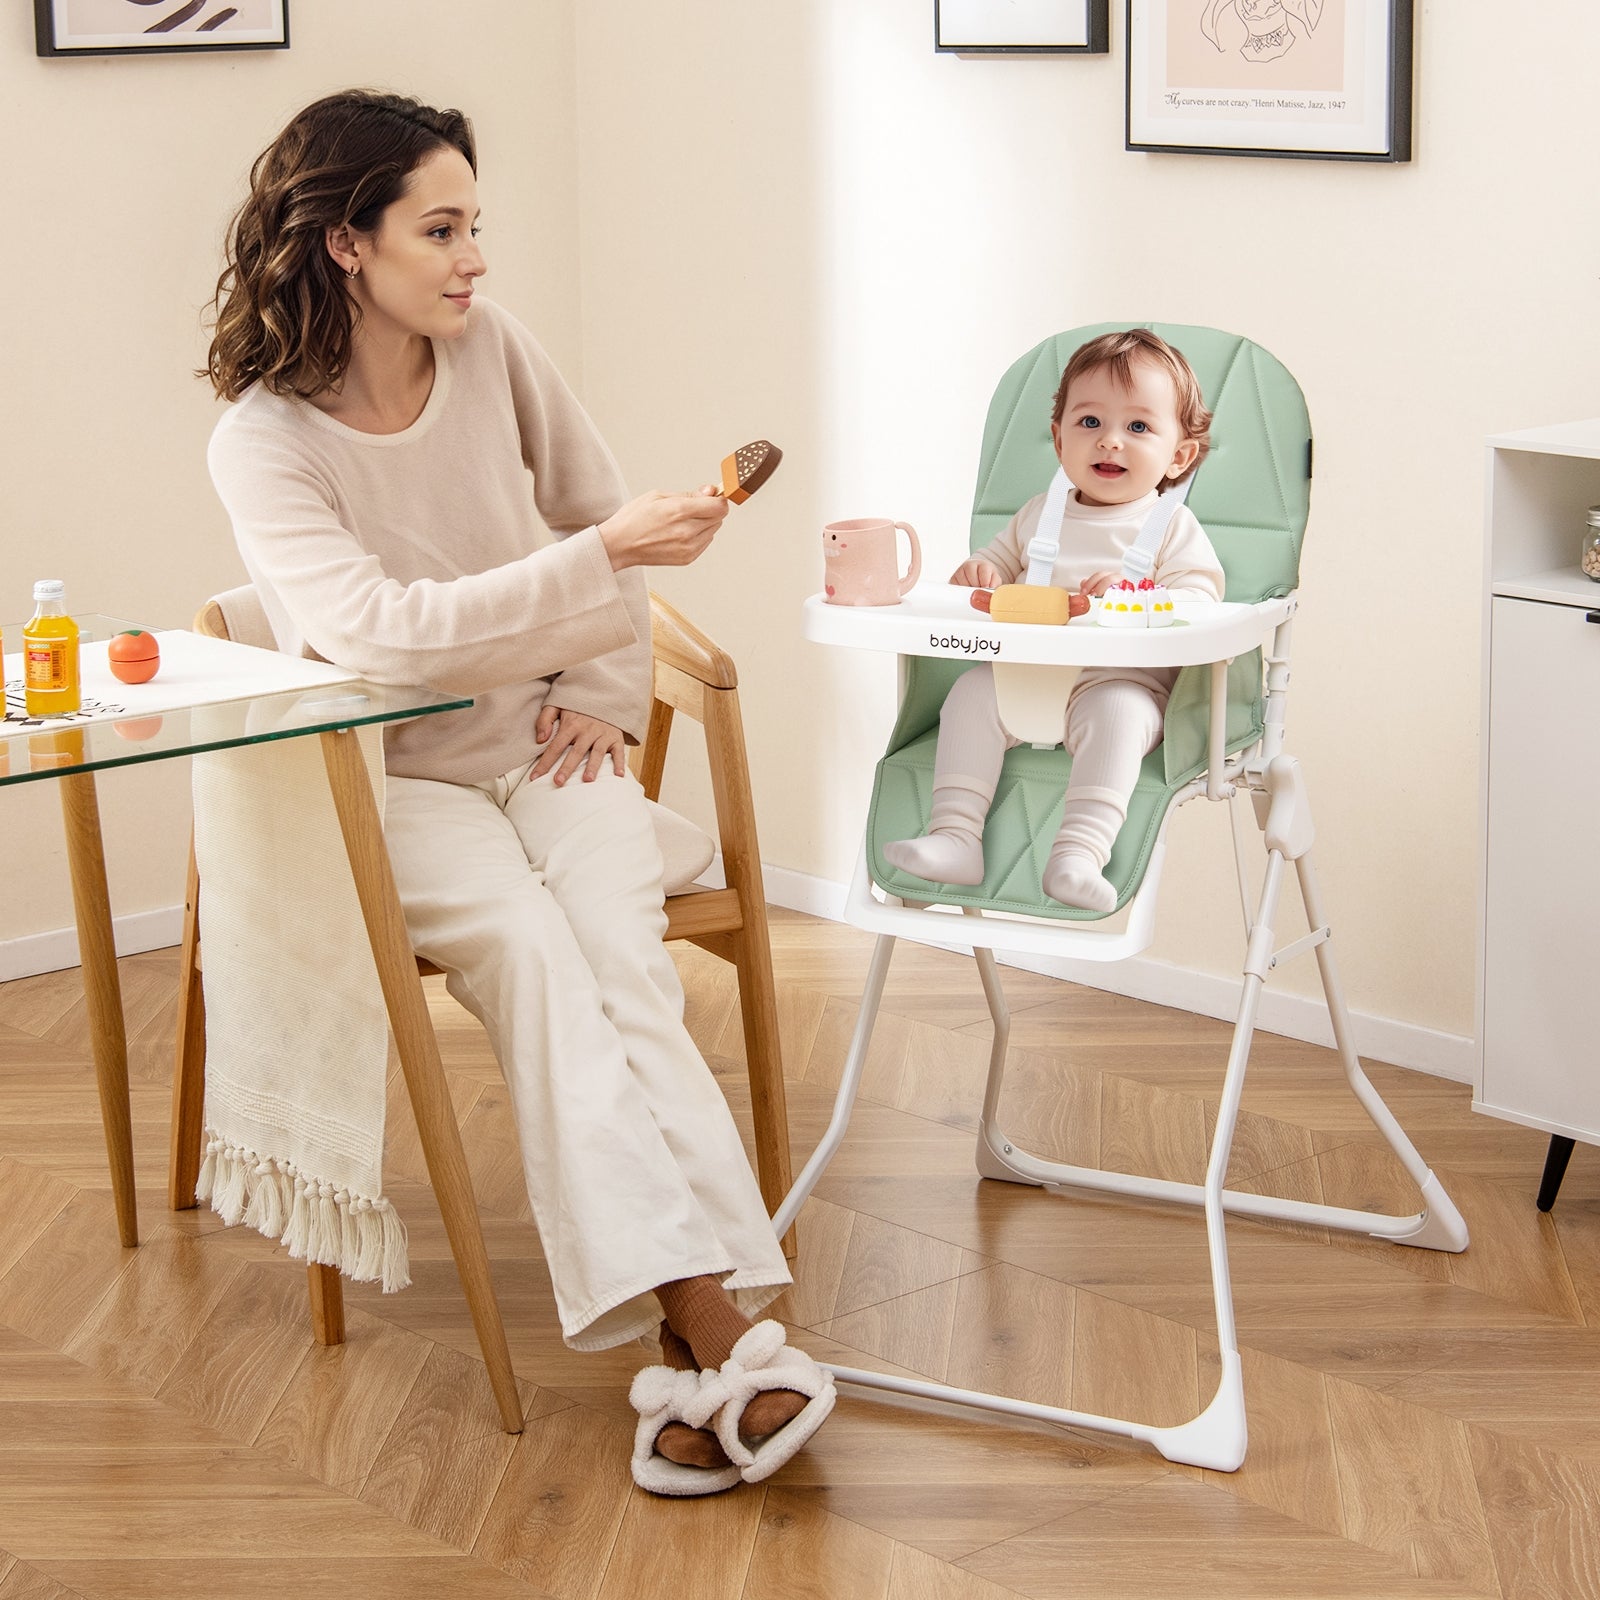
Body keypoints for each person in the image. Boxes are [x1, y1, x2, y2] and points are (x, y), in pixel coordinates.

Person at [203, 89, 829, 1494]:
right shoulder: (263, 441)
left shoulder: (494, 352)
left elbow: (597, 521)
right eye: (441, 228)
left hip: (555, 742)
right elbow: (377, 632)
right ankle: (722, 1326)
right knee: (542, 965)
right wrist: (596, 560)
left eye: (477, 223)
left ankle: (704, 1369)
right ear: (348, 243)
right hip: (397, 774)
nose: (475, 257)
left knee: (621, 961)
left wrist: (602, 696)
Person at [882, 329, 1225, 914]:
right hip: (1025, 680)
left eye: (1138, 427)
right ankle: (956, 837)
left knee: (1120, 715)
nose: (1111, 441)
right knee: (970, 694)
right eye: (1090, 422)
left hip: (1119, 683)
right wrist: (981, 572)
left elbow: (1200, 602)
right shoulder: (1040, 516)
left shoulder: (1171, 527)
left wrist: (1135, 597)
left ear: (1180, 455)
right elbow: (995, 562)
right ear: (1059, 438)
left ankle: (1078, 854)